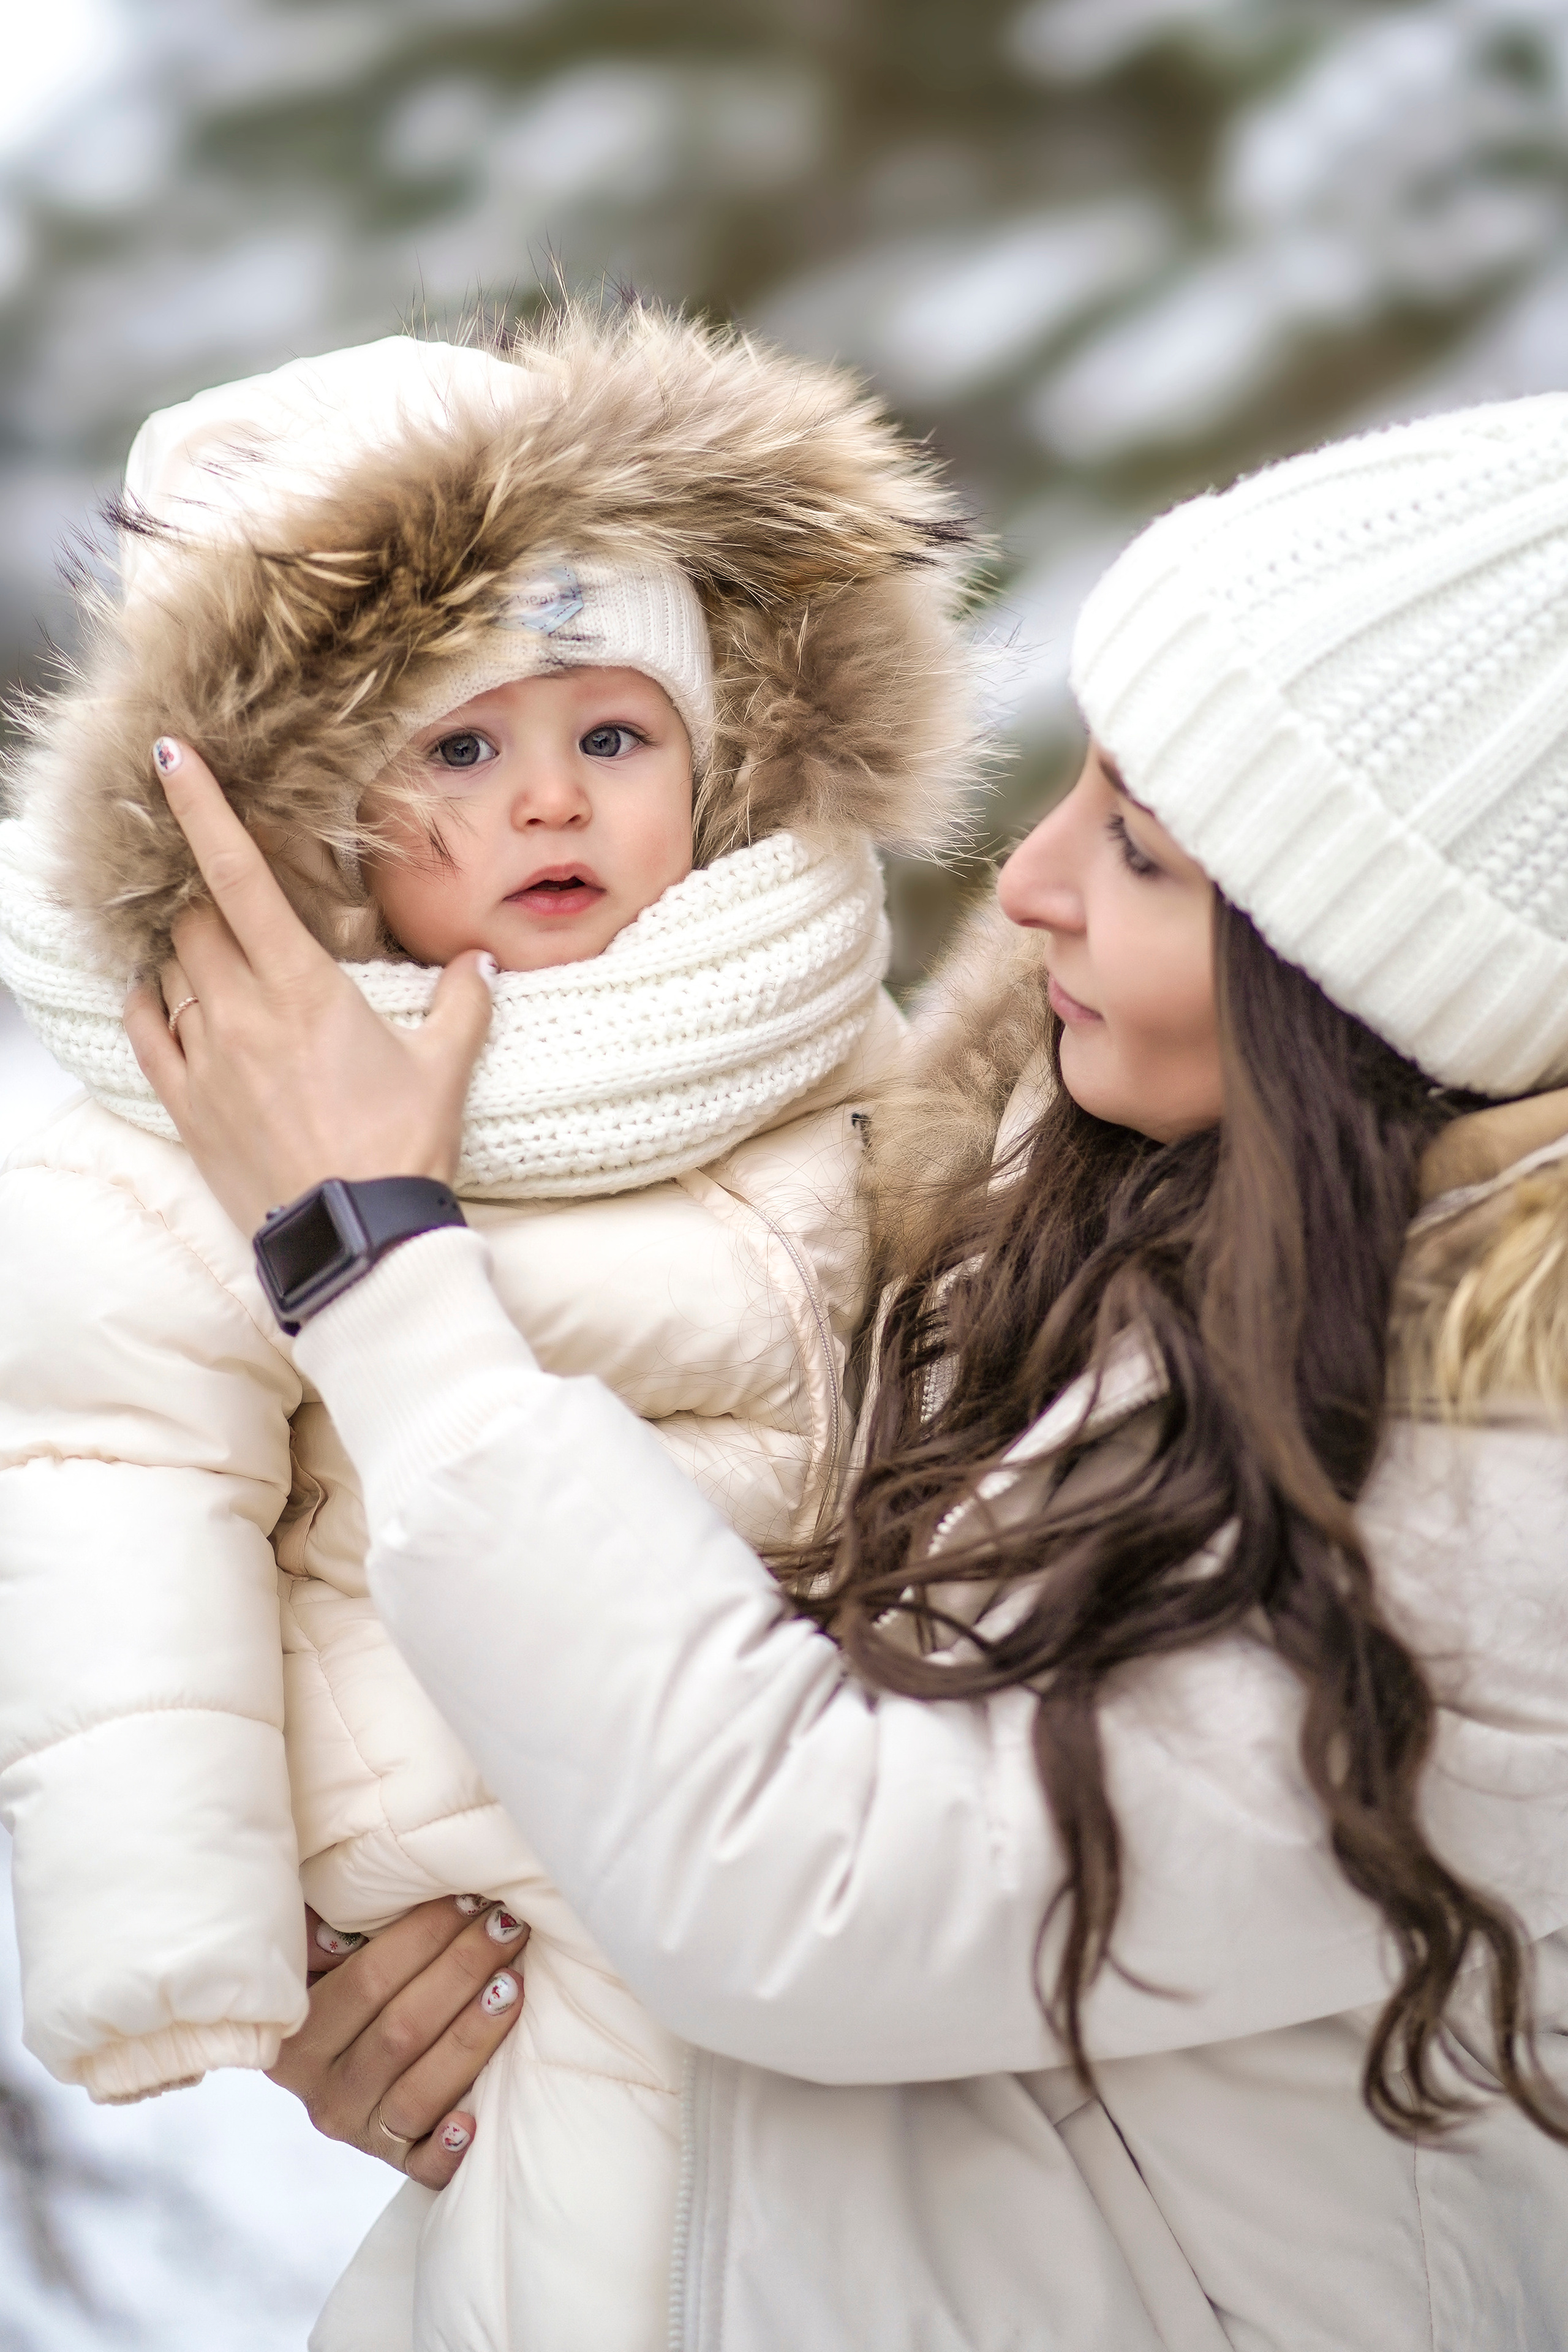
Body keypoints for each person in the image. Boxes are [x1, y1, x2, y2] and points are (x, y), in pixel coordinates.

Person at [105, 398, 1568, 2348]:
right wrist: (439, 1963)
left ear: (1372, 988)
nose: (1027, 878)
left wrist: (366, 1257)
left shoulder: (1505, 1495)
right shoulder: (1069, 1181)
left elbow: (825, 1894)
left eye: (1137, 848)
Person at [0, 308, 981, 2352]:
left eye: (611, 738)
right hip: (496, 1882)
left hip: (852, 1846)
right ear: (302, 818)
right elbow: (103, 1493)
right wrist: (172, 1933)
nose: (551, 803)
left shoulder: (793, 1028)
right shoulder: (196, 1129)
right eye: (460, 749)